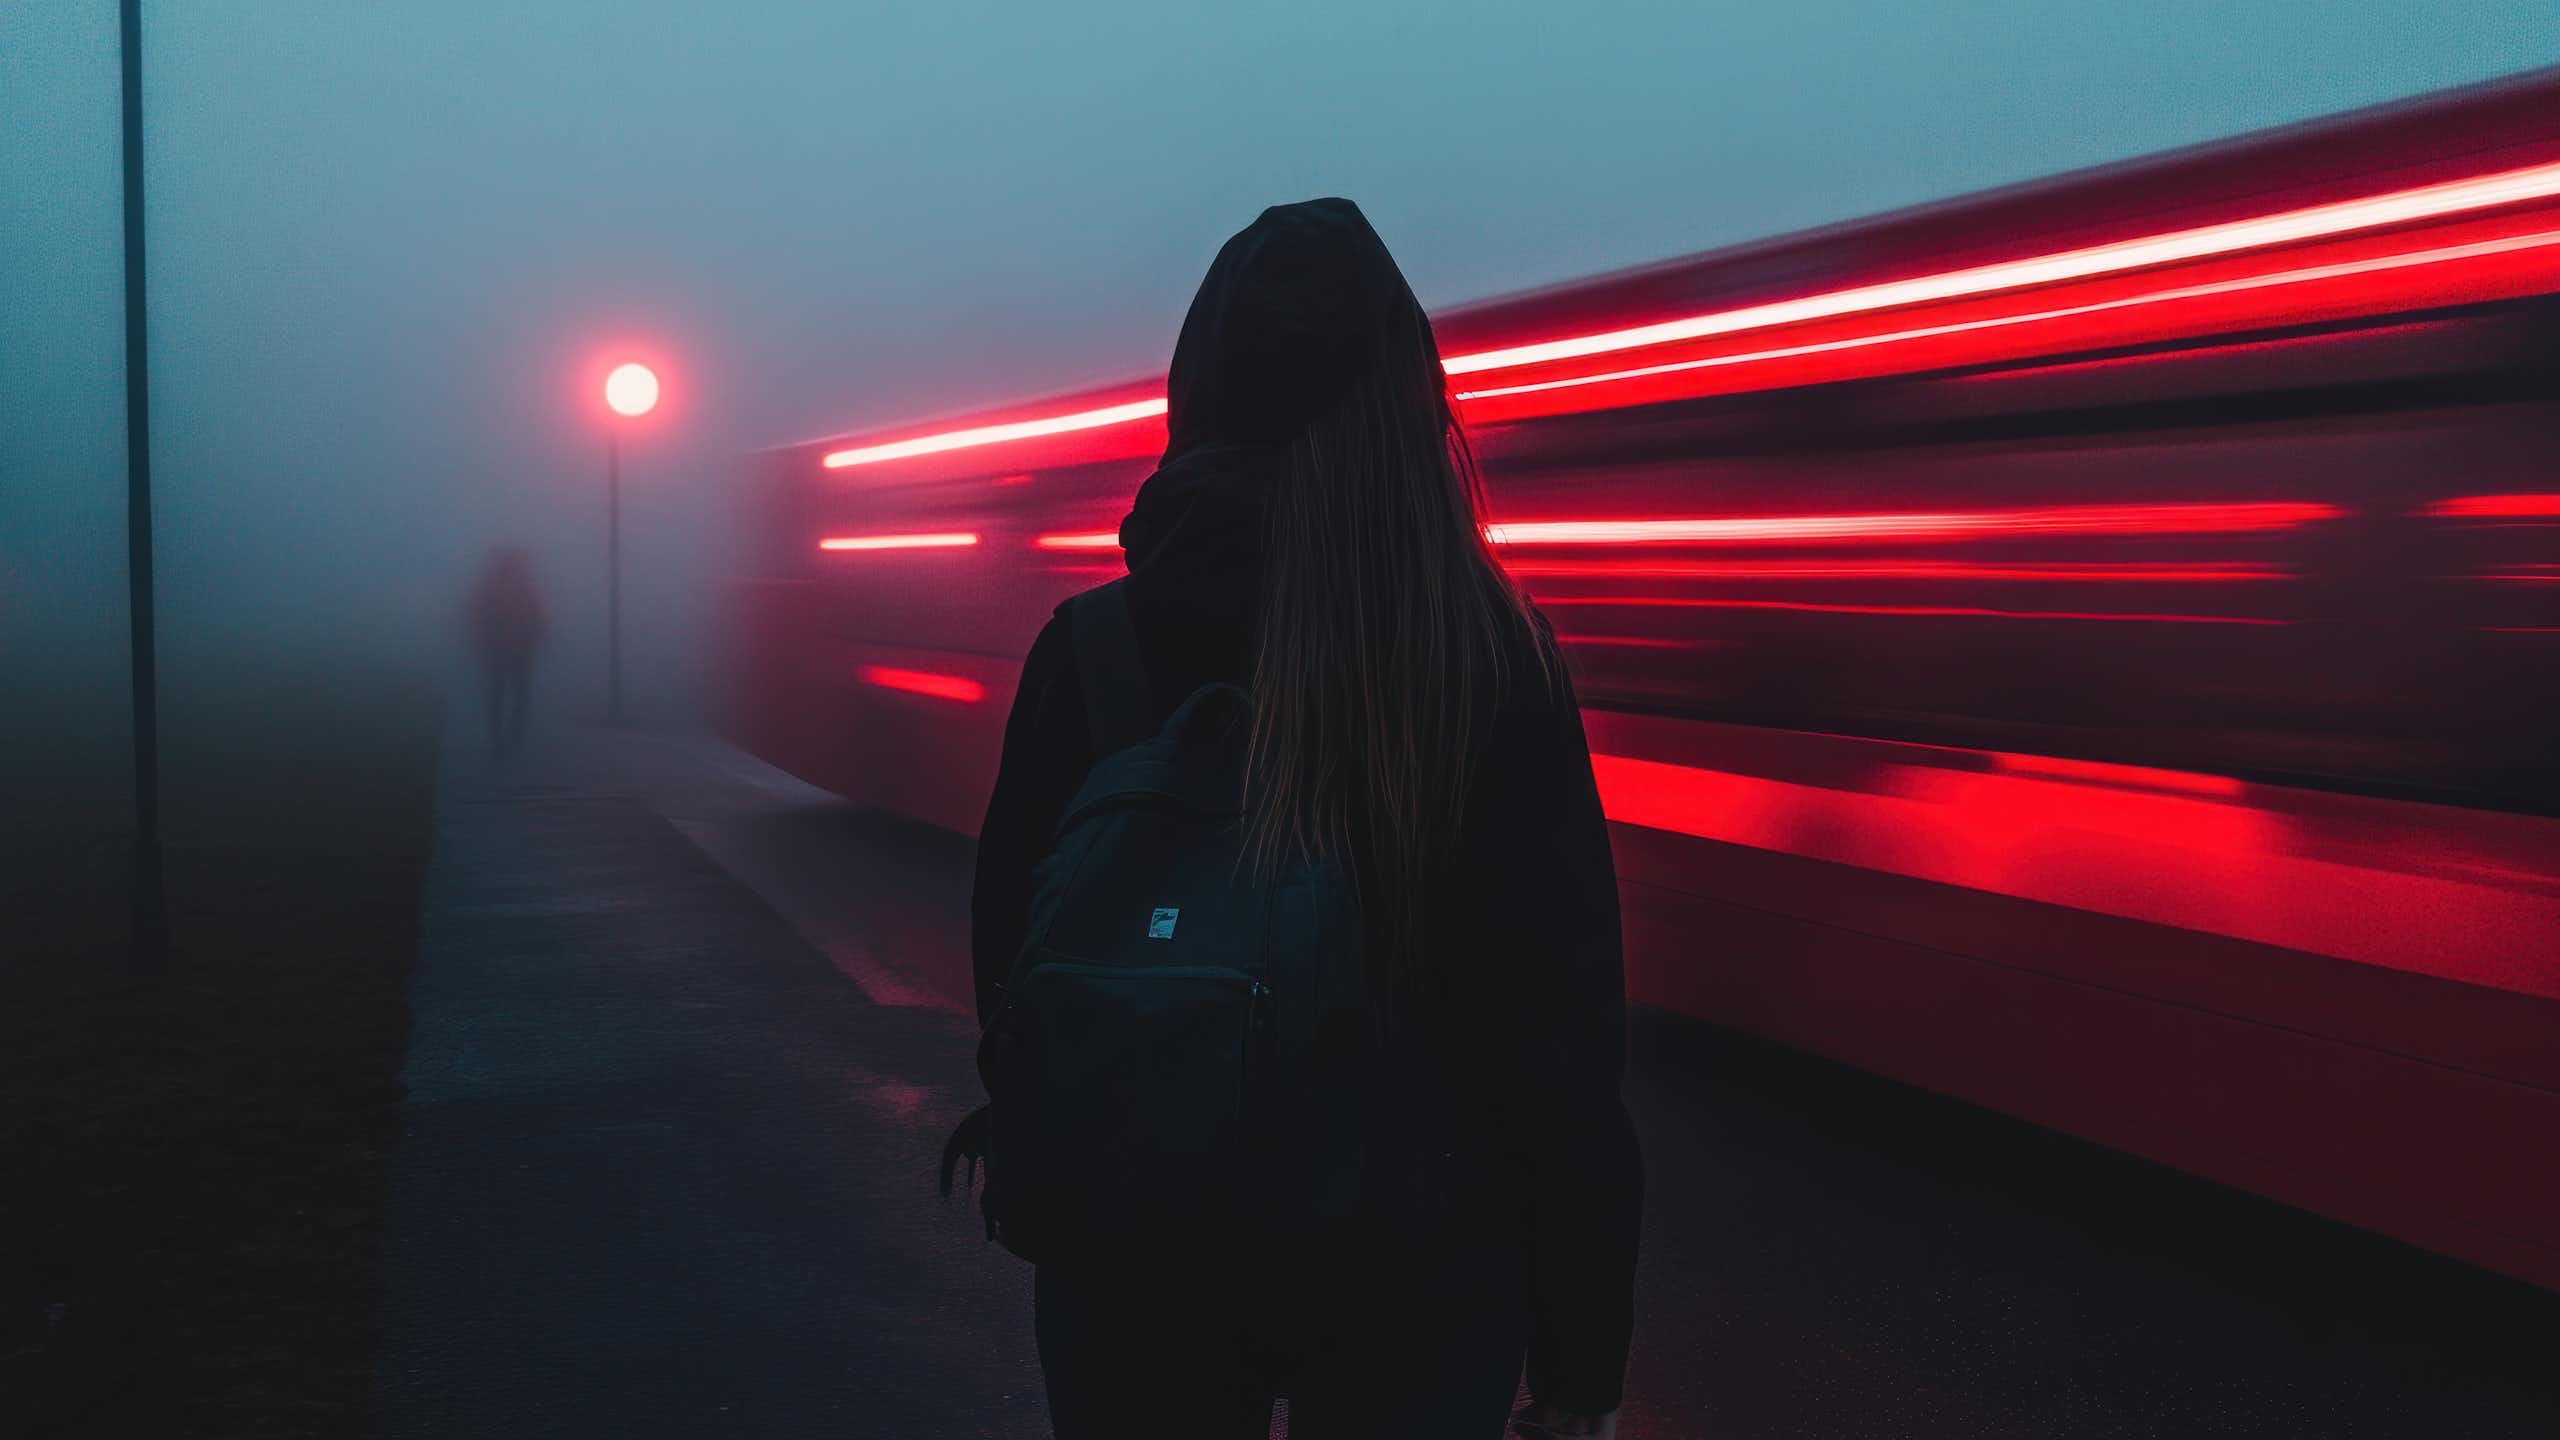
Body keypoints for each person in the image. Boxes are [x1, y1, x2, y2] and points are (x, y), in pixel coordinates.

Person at [966, 199, 1642, 1439]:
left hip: (1137, 1267)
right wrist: (1580, 1367)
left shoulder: (1094, 654)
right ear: (1406, 397)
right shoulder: (1485, 658)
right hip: (1413, 1284)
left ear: (1196, 387)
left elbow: (1012, 973)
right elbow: (1559, 1046)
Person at [463, 546, 546, 754]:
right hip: (520, 651)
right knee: (519, 695)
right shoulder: (527, 590)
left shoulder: (490, 590)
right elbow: (538, 621)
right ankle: (514, 737)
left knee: (498, 694)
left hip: (499, 650)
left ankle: (498, 738)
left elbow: (477, 618)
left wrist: (481, 643)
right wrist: (537, 640)